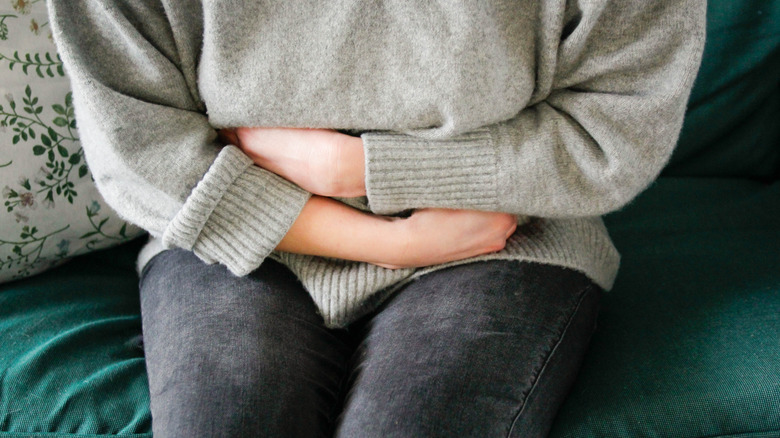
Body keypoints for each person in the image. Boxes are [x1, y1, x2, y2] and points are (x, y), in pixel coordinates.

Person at [47, 0, 705, 436]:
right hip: (234, 234)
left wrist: (356, 169)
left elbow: (613, 127)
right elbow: (138, 146)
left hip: (502, 233)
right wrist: (390, 241)